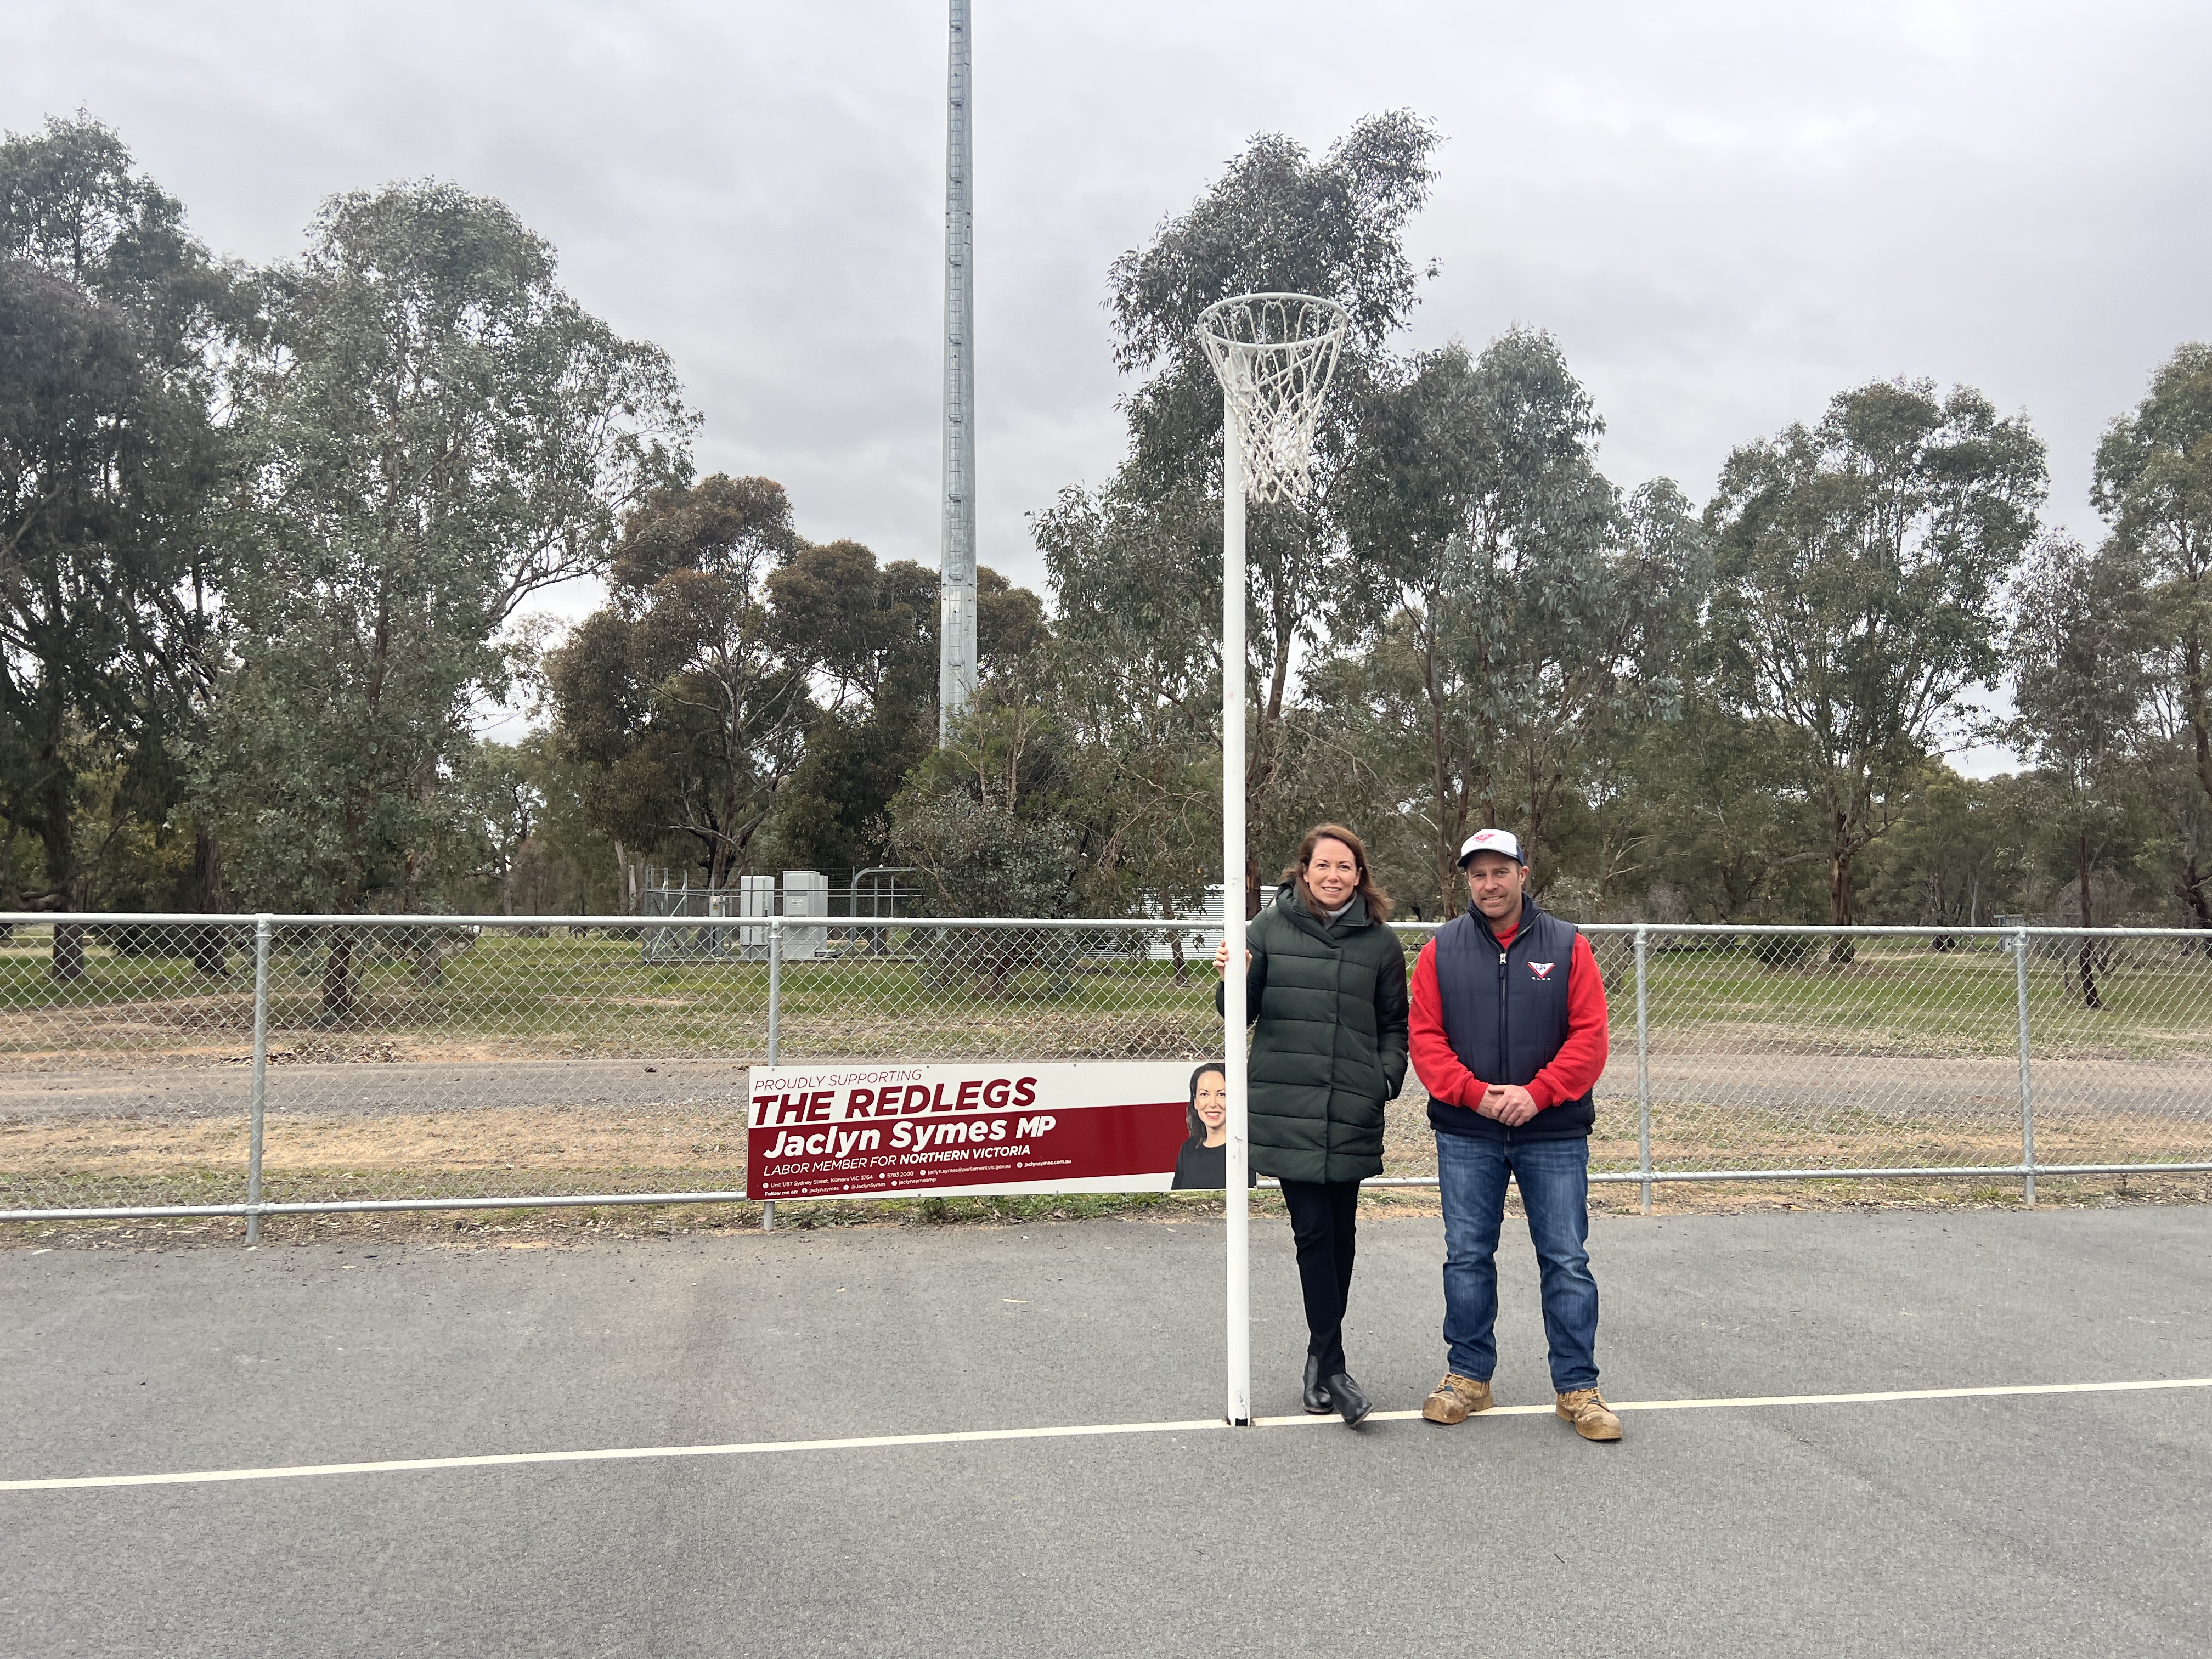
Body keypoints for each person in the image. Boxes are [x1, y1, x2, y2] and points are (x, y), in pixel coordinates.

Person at [1408, 827, 1620, 1441]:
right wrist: (1474, 1094)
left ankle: (1577, 1387)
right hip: (1467, 1132)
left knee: (1566, 1259)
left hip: (1552, 1132)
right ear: (1467, 881)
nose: (1489, 884)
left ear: (1524, 874)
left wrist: (1539, 1094)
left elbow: (1590, 1038)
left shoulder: (1569, 946)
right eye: (1478, 874)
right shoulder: (1439, 951)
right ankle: (1469, 1377)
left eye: (1500, 871)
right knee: (1467, 1256)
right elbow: (1426, 1039)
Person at [1215, 823, 1409, 1426]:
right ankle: (1337, 1369)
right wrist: (1232, 977)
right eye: (1323, 865)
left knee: (1342, 1236)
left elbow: (1394, 1025)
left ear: (1359, 875)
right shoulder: (1266, 929)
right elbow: (1236, 1014)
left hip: (1351, 1105)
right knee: (1314, 1232)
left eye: (1345, 867)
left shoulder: (1381, 944)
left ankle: (1318, 1359)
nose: (1333, 875)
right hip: (1289, 1106)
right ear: (1304, 870)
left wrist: (1384, 1079)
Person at [1171, 1063, 1256, 1190]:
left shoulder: (1251, 1150)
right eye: (1204, 1094)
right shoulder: (1188, 1150)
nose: (1212, 1104)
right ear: (1195, 1102)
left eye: (1221, 1094)